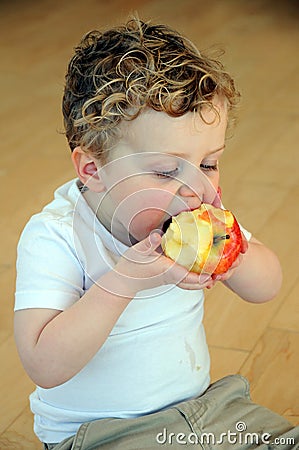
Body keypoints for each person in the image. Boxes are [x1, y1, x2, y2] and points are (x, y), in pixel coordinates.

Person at [14, 17, 298, 449]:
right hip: (104, 433)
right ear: (93, 170)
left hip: (208, 409)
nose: (196, 187)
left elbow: (269, 285)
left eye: (208, 164)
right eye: (166, 170)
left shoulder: (198, 214)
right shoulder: (55, 236)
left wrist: (234, 253)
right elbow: (43, 364)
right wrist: (127, 277)